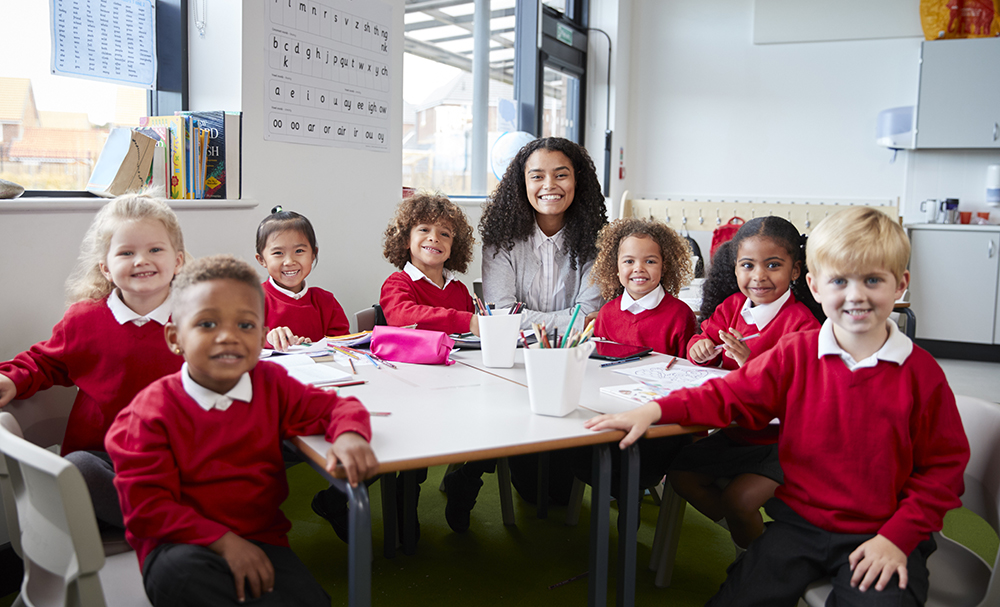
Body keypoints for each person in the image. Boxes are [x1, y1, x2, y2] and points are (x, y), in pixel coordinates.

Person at [586, 207, 970, 606]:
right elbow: (728, 394)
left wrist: (896, 539)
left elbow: (943, 470)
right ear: (816, 285)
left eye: (872, 280)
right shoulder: (797, 354)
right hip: (800, 529)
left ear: (900, 285)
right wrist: (654, 411)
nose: (855, 295)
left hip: (883, 535)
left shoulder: (921, 374)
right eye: (839, 280)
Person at [106, 254, 378, 607]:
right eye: (207, 324)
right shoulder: (148, 415)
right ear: (175, 338)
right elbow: (149, 511)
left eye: (245, 326)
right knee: (181, 576)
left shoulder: (271, 384)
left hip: (261, 540)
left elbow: (336, 406)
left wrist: (349, 434)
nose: (228, 337)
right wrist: (224, 542)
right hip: (181, 547)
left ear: (263, 335)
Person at [444, 137, 608, 533]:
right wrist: (558, 319)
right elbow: (500, 313)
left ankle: (474, 461)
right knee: (534, 489)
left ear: (578, 180)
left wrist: (527, 317)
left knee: (552, 495)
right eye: (537, 176)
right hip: (513, 362)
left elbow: (588, 316)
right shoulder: (502, 237)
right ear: (522, 182)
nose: (548, 184)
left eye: (561, 174)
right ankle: (470, 467)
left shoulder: (598, 240)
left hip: (572, 363)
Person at [0, 192, 186, 529]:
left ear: (179, 261)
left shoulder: (201, 319)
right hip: (104, 463)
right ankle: (174, 524)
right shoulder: (84, 319)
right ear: (106, 268)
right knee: (78, 469)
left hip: (175, 464)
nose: (141, 260)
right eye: (126, 252)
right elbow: (48, 361)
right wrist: (12, 378)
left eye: (155, 249)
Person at [669, 216, 822, 549]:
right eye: (748, 265)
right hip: (736, 434)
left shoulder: (803, 325)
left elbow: (803, 391)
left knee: (739, 500)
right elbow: (700, 344)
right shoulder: (731, 307)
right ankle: (755, 547)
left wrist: (750, 363)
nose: (759, 276)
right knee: (680, 475)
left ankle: (756, 558)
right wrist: (701, 349)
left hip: (784, 443)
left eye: (773, 265)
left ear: (795, 271)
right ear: (735, 268)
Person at [571, 217, 697, 519]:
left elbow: (690, 379)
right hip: (609, 413)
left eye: (650, 260)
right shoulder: (607, 313)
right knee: (573, 450)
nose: (638, 269)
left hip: (658, 425)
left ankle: (629, 510)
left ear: (664, 266)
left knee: (631, 463)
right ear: (615, 268)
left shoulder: (680, 315)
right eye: (629, 260)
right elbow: (595, 368)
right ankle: (623, 503)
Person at [378, 191, 478, 335]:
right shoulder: (396, 284)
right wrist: (467, 322)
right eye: (424, 230)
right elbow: (403, 318)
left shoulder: (460, 290)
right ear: (406, 240)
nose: (434, 238)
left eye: (444, 234)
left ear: (453, 248)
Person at [255, 206, 349, 351]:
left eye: (299, 251)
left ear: (313, 254)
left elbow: (344, 346)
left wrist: (314, 347)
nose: (289, 261)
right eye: (278, 253)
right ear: (261, 260)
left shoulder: (326, 301)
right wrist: (267, 340)